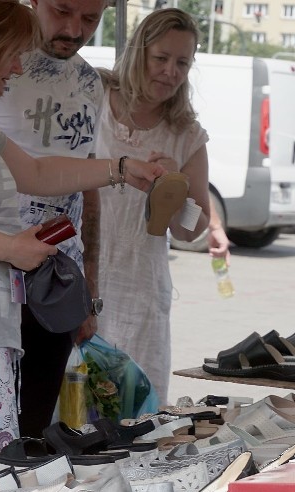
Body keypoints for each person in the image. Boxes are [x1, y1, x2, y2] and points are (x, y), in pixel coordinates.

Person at [0, 0, 164, 480]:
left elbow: (37, 172)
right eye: (13, 54)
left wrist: (121, 169)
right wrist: (10, 247)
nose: (19, 68)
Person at [0, 0, 108, 439]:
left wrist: (89, 284)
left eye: (91, 18)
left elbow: (86, 187)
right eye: (62, 10)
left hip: (57, 276)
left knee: (34, 427)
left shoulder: (90, 82)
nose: (74, 30)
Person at [94, 8, 228, 404]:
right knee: (70, 415)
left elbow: (191, 230)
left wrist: (176, 189)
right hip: (79, 282)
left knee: (133, 416)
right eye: (162, 58)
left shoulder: (186, 134)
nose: (171, 71)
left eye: (182, 62)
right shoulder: (94, 96)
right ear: (139, 52)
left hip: (140, 293)